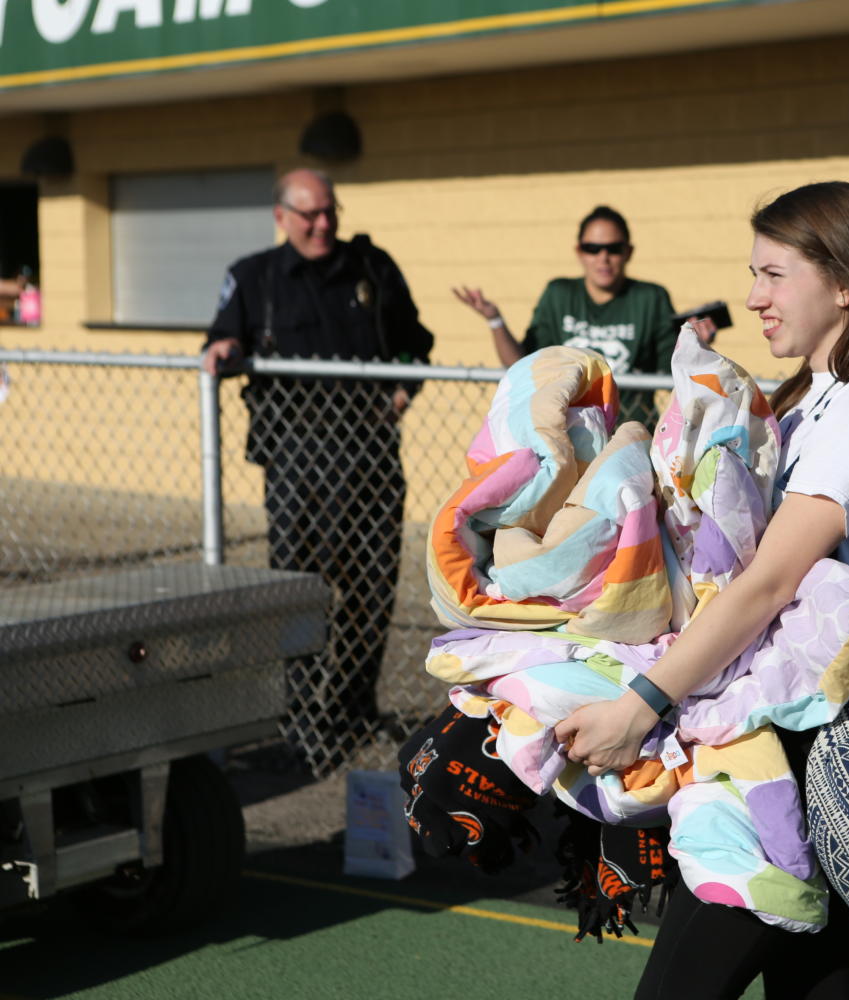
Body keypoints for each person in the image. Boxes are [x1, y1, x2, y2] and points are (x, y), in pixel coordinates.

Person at [555, 181, 849, 1000]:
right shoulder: (815, 397)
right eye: (753, 274)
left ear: (846, 280)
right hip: (796, 745)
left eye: (775, 275)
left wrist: (643, 702)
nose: (754, 298)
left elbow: (770, 583)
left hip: (813, 749)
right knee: (815, 985)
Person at [202, 168, 434, 777]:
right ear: (281, 215)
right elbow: (224, 339)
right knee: (302, 591)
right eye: (310, 215)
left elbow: (416, 343)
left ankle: (356, 712)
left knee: (370, 589)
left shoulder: (371, 268)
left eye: (330, 211)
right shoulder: (256, 277)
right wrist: (223, 353)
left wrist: (405, 386)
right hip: (297, 461)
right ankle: (302, 717)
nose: (324, 224)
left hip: (370, 455)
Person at [452, 205, 711, 421]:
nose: (603, 257)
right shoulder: (559, 294)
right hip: (568, 431)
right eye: (592, 248)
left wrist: (696, 344)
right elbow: (521, 364)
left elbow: (671, 373)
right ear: (579, 251)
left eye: (613, 249)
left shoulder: (650, 297)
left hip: (631, 434)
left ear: (628, 252)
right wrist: (494, 320)